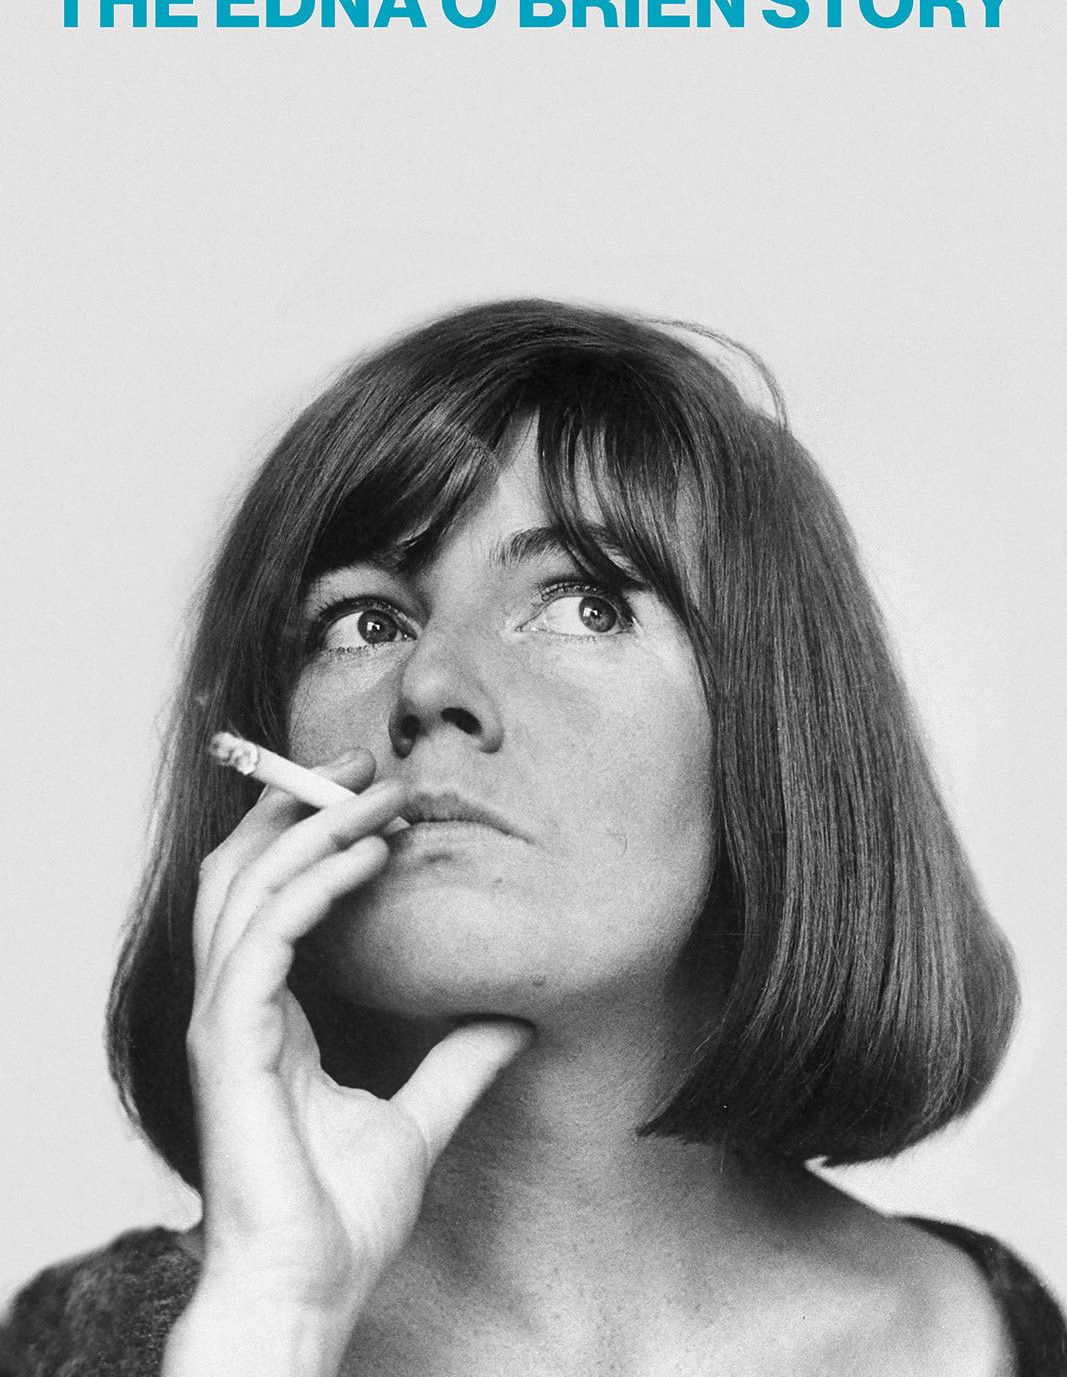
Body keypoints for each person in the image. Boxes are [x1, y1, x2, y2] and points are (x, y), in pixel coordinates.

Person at [2, 300, 1063, 1376]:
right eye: (365, 622)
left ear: (777, 736)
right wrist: (270, 1316)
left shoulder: (986, 1338)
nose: (429, 683)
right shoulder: (91, 1346)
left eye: (583, 605)